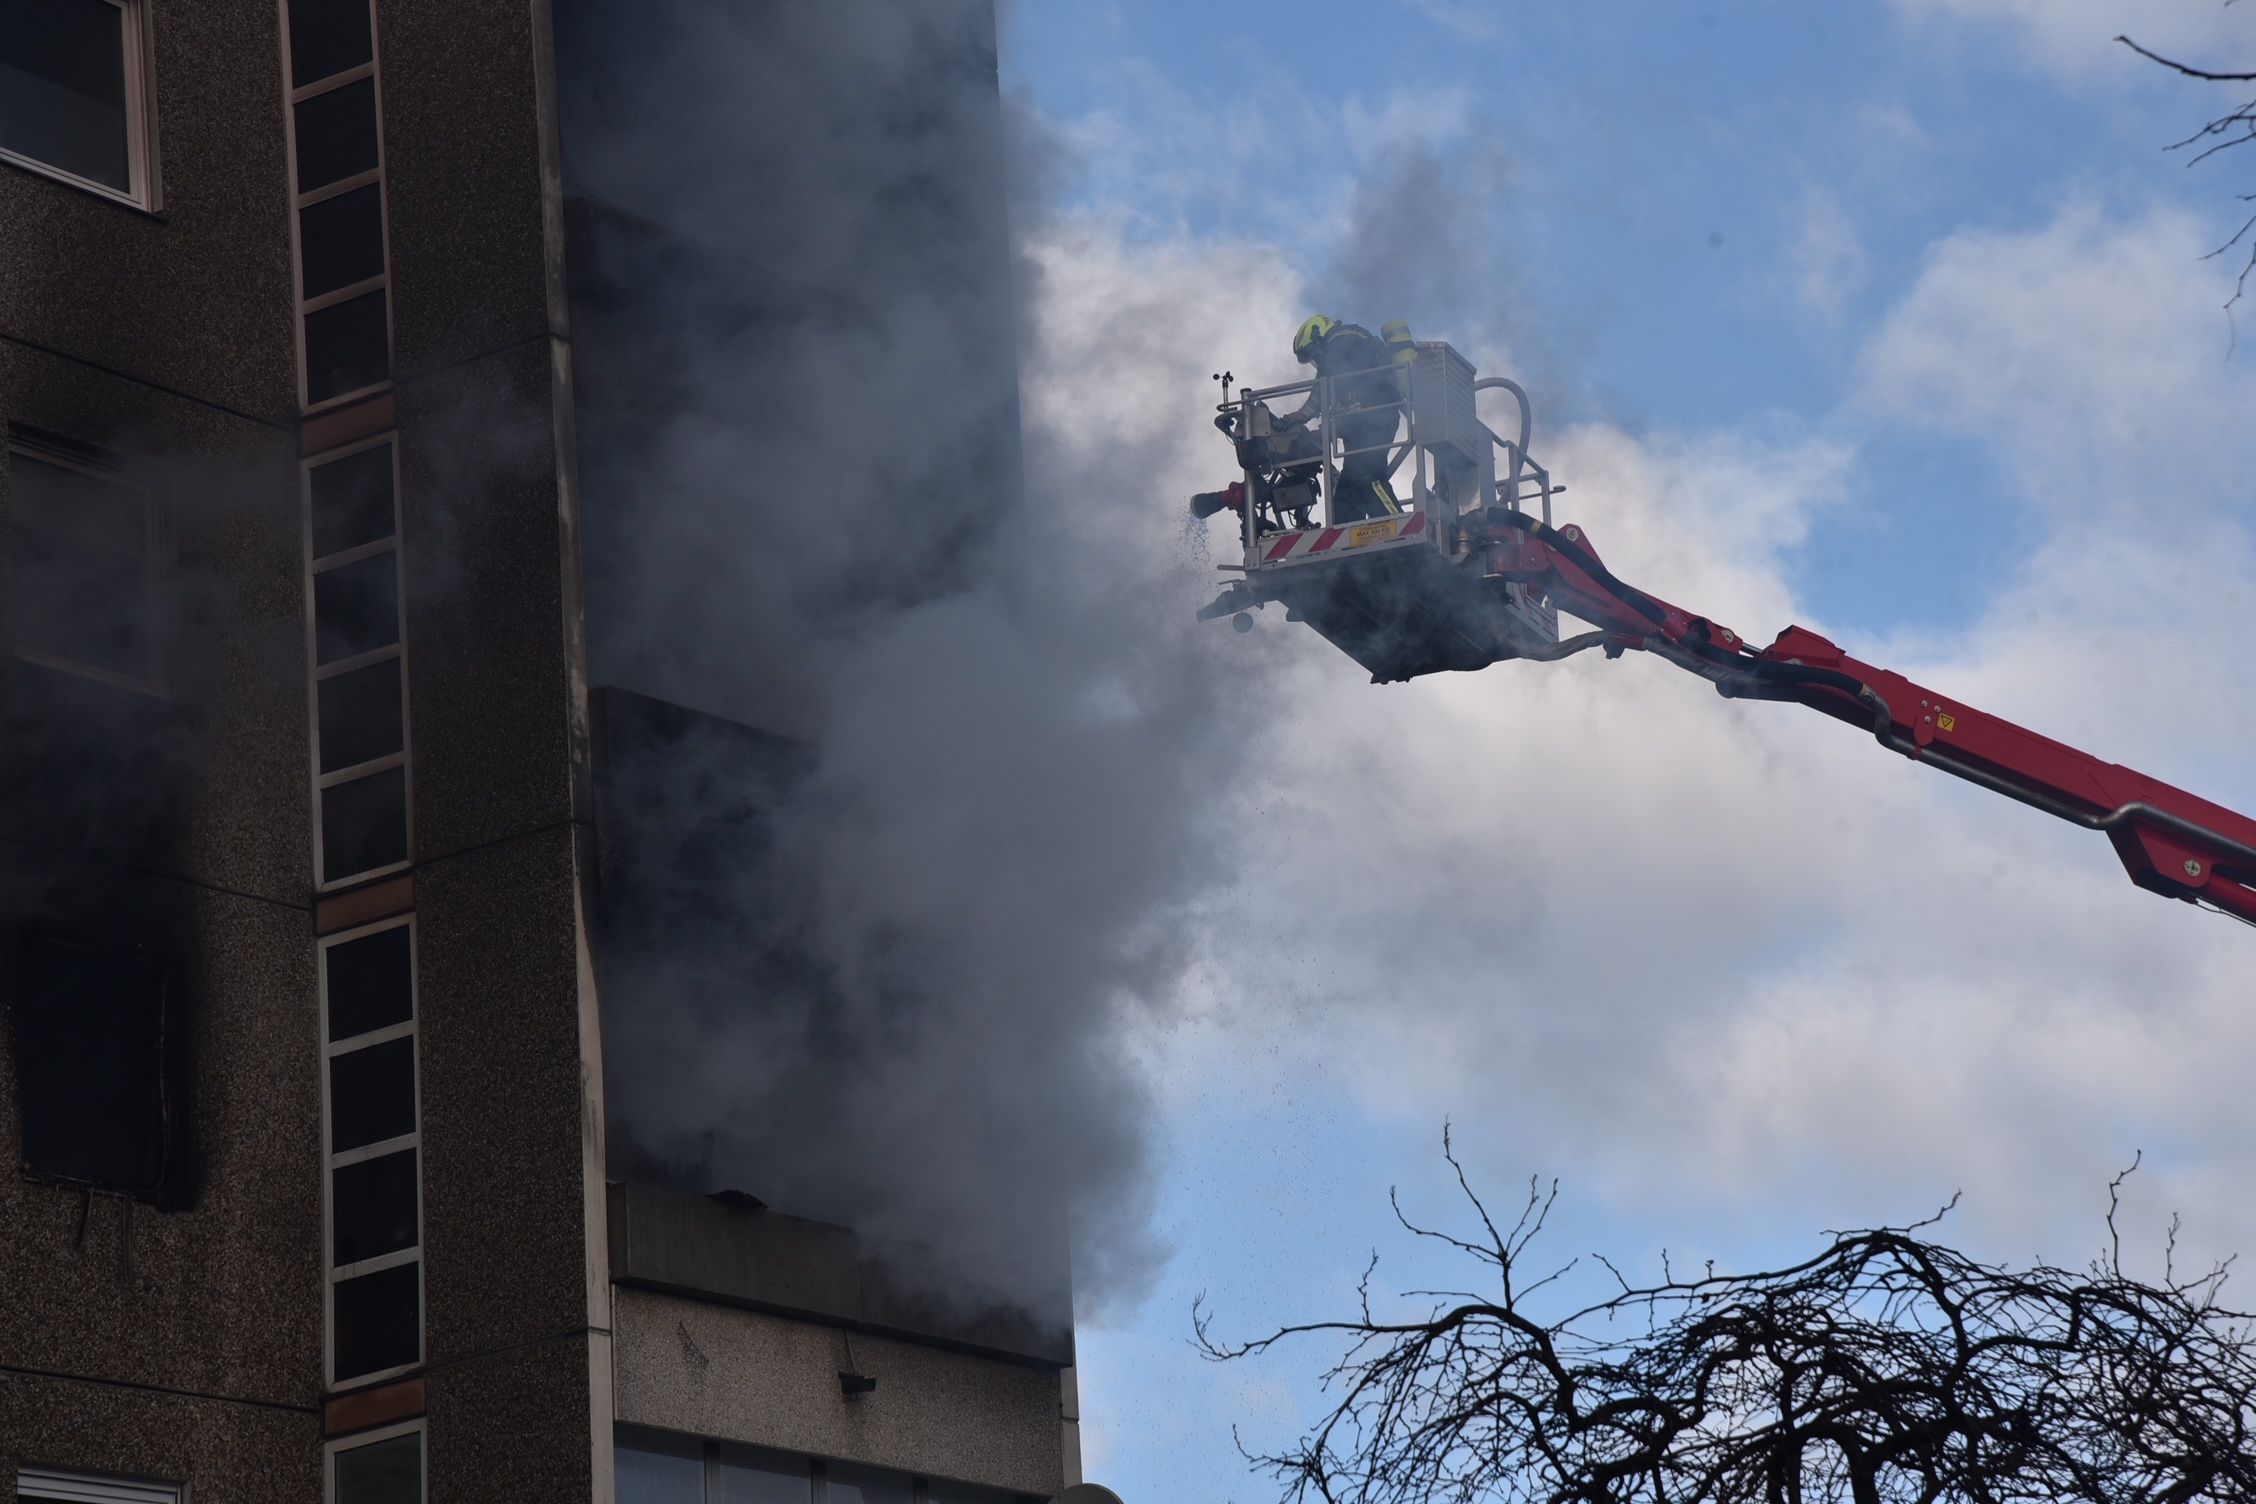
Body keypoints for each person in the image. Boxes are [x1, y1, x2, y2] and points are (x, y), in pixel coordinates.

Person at [1275, 315, 1415, 523]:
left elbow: (1324, 386)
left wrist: (1306, 419)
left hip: (1375, 420)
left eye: (1315, 354)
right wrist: (1303, 418)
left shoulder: (1342, 341)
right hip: (1362, 425)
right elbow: (1328, 392)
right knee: (1346, 492)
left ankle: (1402, 529)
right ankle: (1349, 543)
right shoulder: (1342, 355)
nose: (1317, 360)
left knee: (1371, 479)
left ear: (1319, 337)